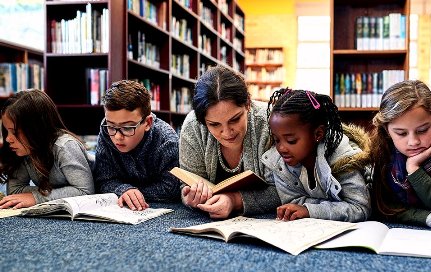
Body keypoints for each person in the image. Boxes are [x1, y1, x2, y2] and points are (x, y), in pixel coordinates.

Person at [179, 65, 281, 218]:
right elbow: (187, 182)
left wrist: (235, 201)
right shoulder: (193, 126)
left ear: (247, 103)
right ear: (203, 121)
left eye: (235, 119)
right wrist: (189, 197)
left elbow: (284, 189)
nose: (227, 132)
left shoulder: (270, 123)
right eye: (214, 124)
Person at [370, 80, 431, 232]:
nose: (413, 142)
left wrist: (414, 169)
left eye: (423, 130)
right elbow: (384, 207)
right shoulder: (381, 150)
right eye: (401, 133)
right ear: (386, 130)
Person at [261, 88, 371, 222]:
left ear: (318, 134)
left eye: (291, 141)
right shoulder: (278, 164)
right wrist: (311, 209)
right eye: (276, 140)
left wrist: (309, 210)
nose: (281, 148)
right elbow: (293, 202)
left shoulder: (343, 160)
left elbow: (360, 208)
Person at [0, 89, 94, 209]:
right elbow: (15, 191)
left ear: (36, 129)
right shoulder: (25, 150)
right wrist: (63, 192)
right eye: (6, 131)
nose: (8, 139)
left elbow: (86, 191)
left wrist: (36, 197)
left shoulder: (65, 146)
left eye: (14, 132)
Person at [94, 80, 180, 211]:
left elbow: (170, 188)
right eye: (112, 126)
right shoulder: (105, 129)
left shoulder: (167, 141)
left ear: (147, 123)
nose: (117, 137)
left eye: (128, 128)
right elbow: (102, 179)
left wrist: (134, 192)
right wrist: (123, 189)